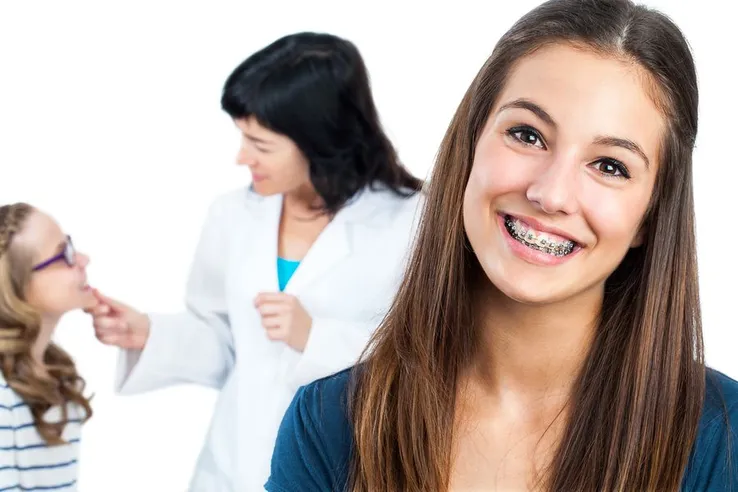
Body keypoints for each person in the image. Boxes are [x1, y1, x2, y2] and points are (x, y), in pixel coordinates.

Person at [266, 1, 738, 491]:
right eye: (527, 135)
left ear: (650, 216)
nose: (551, 194)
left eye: (610, 166)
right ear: (470, 144)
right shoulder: (326, 427)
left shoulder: (725, 442)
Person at [86, 32, 424, 490]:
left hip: (338, 468)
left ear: (319, 139)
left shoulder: (411, 222)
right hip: (230, 468)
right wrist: (148, 334)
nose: (242, 157)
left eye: (260, 144)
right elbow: (227, 342)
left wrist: (318, 337)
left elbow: (430, 356)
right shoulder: (232, 215)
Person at [0, 203, 94, 491]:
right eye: (62, 255)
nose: (83, 259)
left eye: (72, 246)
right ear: (18, 286)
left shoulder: (61, 379)